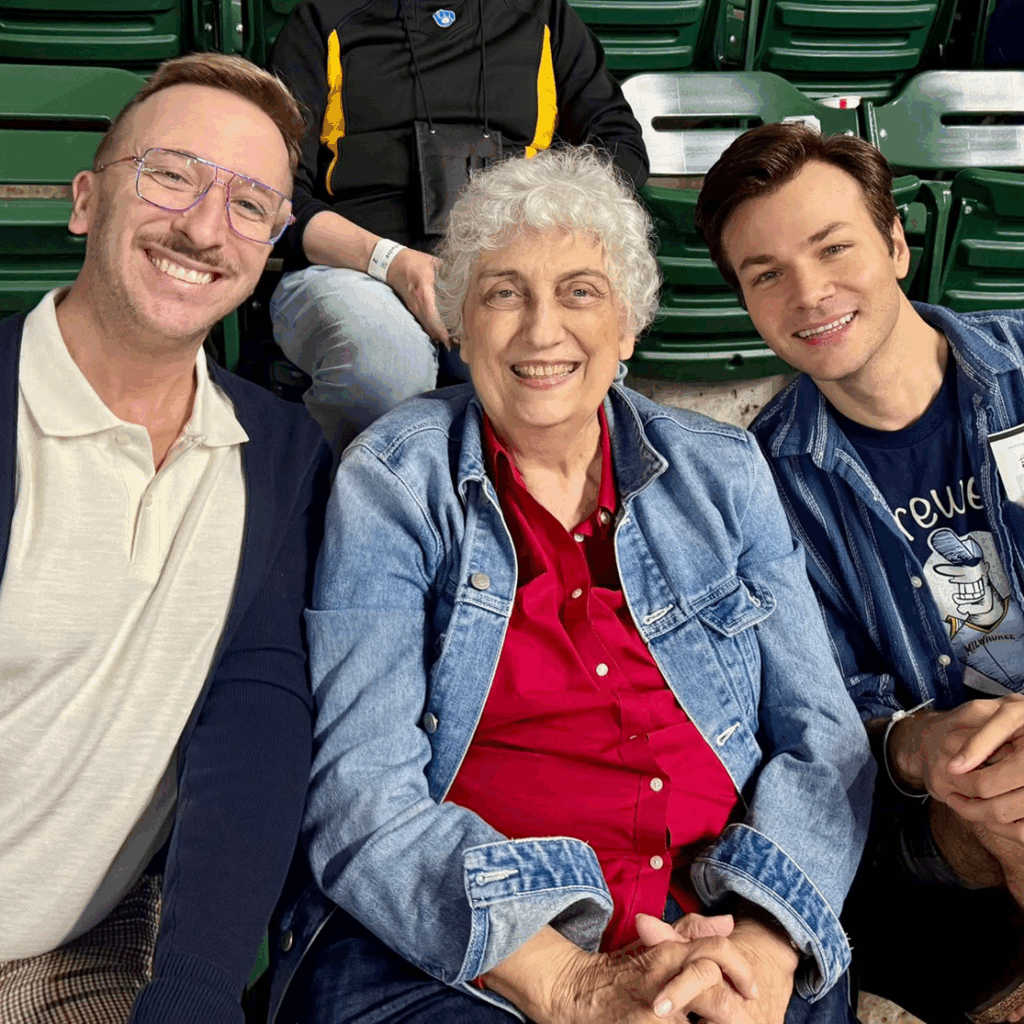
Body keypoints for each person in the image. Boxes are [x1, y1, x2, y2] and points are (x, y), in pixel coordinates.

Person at [266, 147, 873, 1024]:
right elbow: (361, 794)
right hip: (473, 952)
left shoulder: (723, 470)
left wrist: (765, 942)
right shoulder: (394, 482)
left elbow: (824, 736)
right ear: (459, 326)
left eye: (580, 292)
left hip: (719, 921)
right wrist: (569, 982)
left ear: (628, 328)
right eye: (503, 292)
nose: (541, 330)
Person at [0, 54, 331, 1024]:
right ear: (85, 203)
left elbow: (254, 724)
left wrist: (190, 995)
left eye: (249, 204)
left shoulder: (277, 455)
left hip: (70, 958)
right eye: (172, 175)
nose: (201, 226)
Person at [693, 121, 1024, 1024]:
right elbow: (828, 716)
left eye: (834, 247)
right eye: (766, 275)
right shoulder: (758, 484)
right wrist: (922, 745)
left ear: (897, 244)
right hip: (941, 825)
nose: (809, 292)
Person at [267, 0, 649, 454]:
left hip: (499, 269)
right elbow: (275, 197)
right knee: (385, 369)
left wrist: (530, 236)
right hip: (354, 267)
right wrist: (391, 263)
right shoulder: (324, 16)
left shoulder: (543, 15)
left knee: (571, 371)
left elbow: (622, 148)